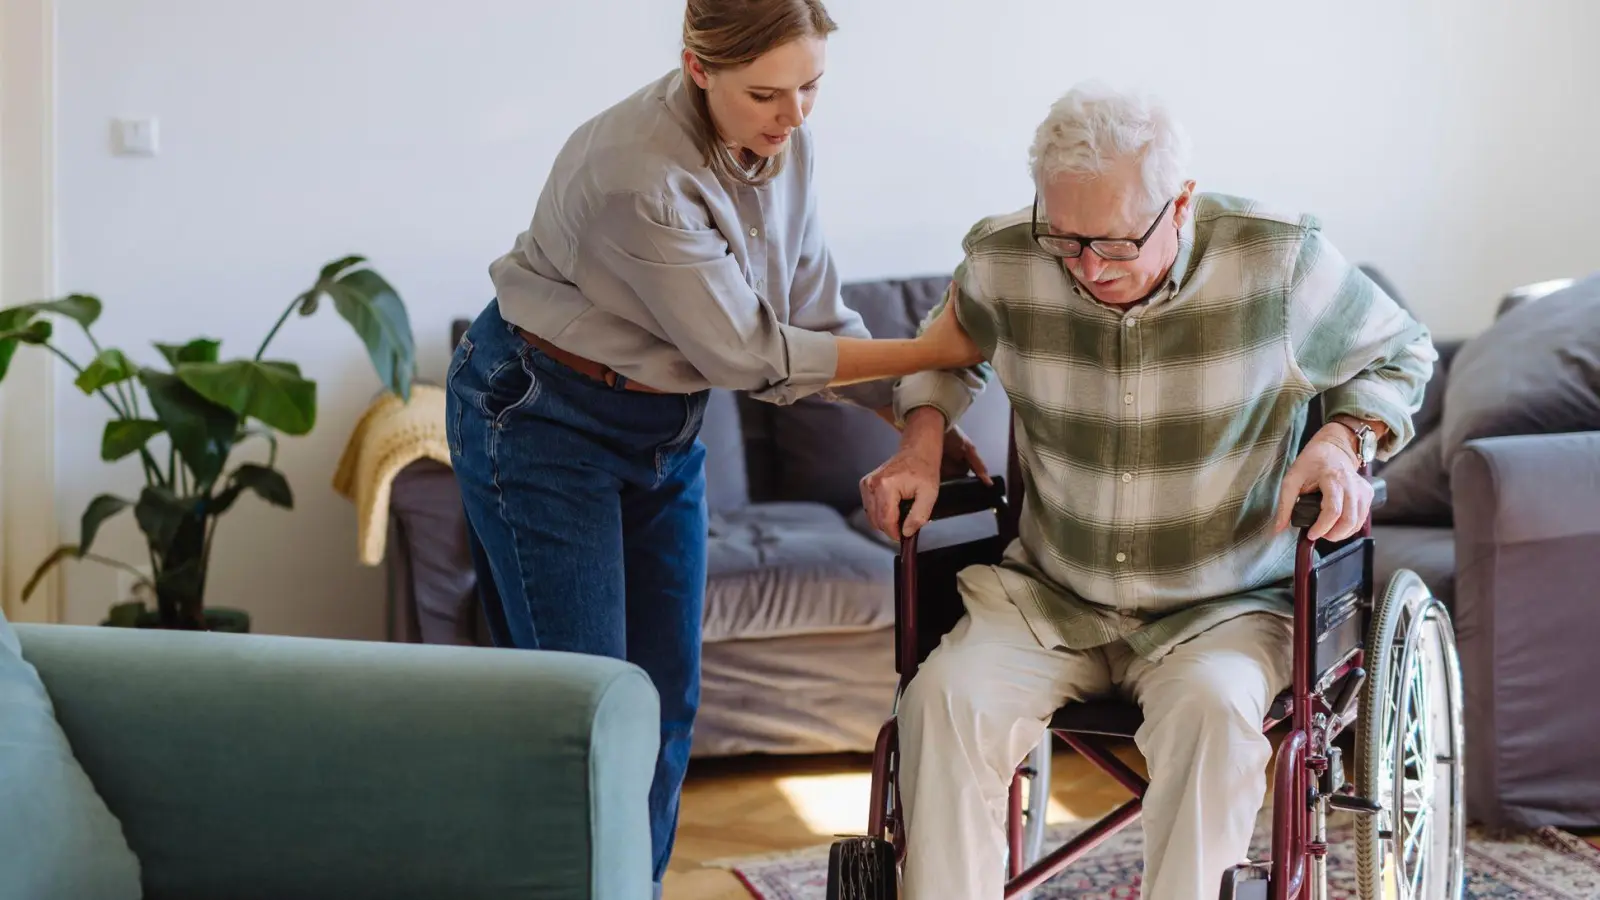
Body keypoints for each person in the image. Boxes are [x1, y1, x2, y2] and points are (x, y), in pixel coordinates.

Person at [445, 1, 986, 894]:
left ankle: (635, 886)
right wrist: (935, 351)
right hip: (541, 420)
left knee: (663, 705)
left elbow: (811, 316)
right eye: (768, 92)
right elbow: (752, 356)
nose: (795, 114)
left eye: (813, 86)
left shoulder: (785, 140)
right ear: (699, 68)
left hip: (665, 425)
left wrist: (918, 412)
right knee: (585, 718)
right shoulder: (641, 174)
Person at [859, 82, 1437, 900]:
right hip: (1052, 595)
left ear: (1182, 203)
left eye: (1118, 243)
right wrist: (921, 442)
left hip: (1223, 606)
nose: (1090, 269)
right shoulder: (1006, 258)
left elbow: (1401, 352)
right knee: (943, 703)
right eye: (1066, 239)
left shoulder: (1277, 260)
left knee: (1212, 714)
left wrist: (1344, 440)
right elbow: (939, 351)